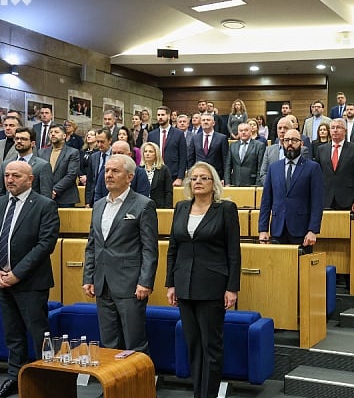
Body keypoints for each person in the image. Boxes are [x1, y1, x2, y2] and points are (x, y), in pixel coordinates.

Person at [0, 161, 59, 398]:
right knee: (12, 333)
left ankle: (48, 380)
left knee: (39, 333)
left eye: (16, 175)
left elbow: (45, 244)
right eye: (6, 175)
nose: (10, 179)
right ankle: (15, 378)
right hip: (2, 281)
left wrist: (17, 274)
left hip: (31, 282)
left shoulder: (45, 205)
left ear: (30, 179)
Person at [166, 162, 240, 398]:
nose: (197, 181)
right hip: (184, 285)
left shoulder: (226, 209)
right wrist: (171, 283)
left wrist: (232, 287)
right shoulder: (181, 207)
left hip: (212, 285)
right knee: (194, 345)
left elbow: (233, 251)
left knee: (211, 347)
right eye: (194, 178)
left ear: (213, 183)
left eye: (203, 178)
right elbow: (173, 248)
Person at [83, 154, 158, 354]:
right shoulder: (98, 205)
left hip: (130, 284)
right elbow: (93, 245)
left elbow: (149, 248)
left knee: (135, 343)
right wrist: (88, 277)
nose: (108, 175)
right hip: (102, 283)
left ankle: (140, 386)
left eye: (115, 171)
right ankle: (111, 385)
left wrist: (145, 282)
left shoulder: (143, 204)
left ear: (130, 177)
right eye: (107, 170)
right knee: (108, 343)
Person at [258, 129, 323, 246]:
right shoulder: (274, 168)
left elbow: (317, 202)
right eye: (286, 140)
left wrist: (313, 230)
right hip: (278, 230)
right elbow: (266, 201)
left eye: (294, 140)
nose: (290, 143)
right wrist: (263, 229)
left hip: (302, 231)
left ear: (301, 144)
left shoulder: (312, 168)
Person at [317, 118, 354, 212]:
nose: (335, 130)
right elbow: (317, 177)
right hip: (326, 199)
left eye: (338, 127)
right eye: (332, 128)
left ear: (345, 131)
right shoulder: (321, 149)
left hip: (347, 199)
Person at [0, 127, 54, 198]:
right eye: (17, 138)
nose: (19, 141)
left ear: (32, 143)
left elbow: (46, 195)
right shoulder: (6, 164)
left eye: (23, 139)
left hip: (32, 206)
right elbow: (0, 192)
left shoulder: (42, 166)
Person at [37, 125, 80, 208]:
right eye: (51, 132)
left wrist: (54, 190)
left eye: (56, 132)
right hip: (44, 195)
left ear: (64, 136)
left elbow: (71, 174)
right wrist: (47, 191)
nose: (52, 134)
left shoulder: (73, 152)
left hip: (65, 197)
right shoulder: (41, 152)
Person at [258, 117, 310, 184]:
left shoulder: (302, 150)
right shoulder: (269, 150)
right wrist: (273, 186)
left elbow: (305, 173)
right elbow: (263, 173)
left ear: (292, 130)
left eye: (285, 128)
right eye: (279, 128)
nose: (282, 131)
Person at [148, 106, 187, 186]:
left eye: (163, 115)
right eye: (158, 115)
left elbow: (183, 157)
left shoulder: (178, 134)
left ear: (169, 116)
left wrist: (180, 177)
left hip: (173, 174)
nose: (160, 117)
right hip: (155, 173)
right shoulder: (152, 135)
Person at [189, 113, 230, 182]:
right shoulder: (195, 138)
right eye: (203, 120)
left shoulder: (222, 138)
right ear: (201, 123)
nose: (205, 122)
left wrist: (224, 178)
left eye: (208, 120)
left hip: (217, 176)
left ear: (213, 123)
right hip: (199, 176)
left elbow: (225, 160)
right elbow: (191, 159)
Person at [0, 115, 21, 194]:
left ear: (19, 128)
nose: (8, 128)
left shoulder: (23, 145)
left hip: (16, 190)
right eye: (5, 125)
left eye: (11, 125)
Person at [85, 129, 113, 206]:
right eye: (98, 142)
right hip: (96, 197)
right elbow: (90, 181)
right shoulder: (94, 157)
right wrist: (87, 201)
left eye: (102, 142)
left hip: (111, 195)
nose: (99, 145)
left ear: (110, 140)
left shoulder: (115, 155)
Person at [141, 142, 173, 208]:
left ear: (156, 154)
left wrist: (167, 208)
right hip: (142, 205)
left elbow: (168, 191)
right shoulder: (139, 169)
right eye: (145, 151)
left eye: (150, 151)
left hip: (159, 206)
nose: (147, 154)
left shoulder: (163, 169)